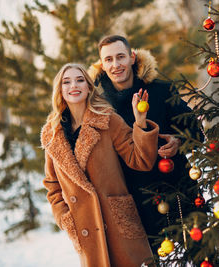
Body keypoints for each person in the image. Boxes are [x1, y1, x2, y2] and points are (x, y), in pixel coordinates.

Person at [88, 35, 203, 251]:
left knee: (202, 252)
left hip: (178, 186)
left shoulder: (161, 90)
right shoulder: (99, 106)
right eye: (109, 59)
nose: (116, 65)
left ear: (132, 57)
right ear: (102, 65)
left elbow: (196, 130)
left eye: (120, 57)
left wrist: (179, 141)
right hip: (136, 200)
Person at [40, 63, 159, 267]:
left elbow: (141, 160)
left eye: (79, 80)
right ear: (60, 90)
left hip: (119, 223)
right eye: (66, 82)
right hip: (85, 228)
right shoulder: (52, 134)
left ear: (88, 87)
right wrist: (65, 218)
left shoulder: (108, 120)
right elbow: (52, 186)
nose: (73, 86)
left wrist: (140, 123)